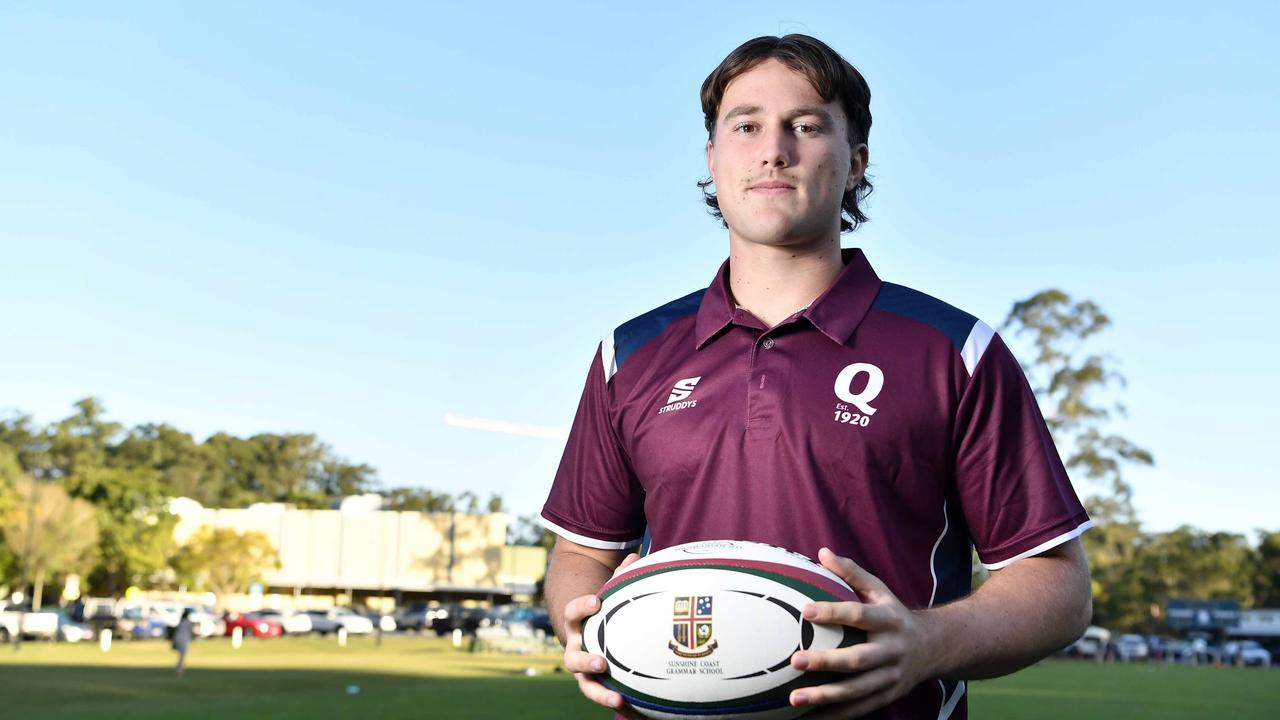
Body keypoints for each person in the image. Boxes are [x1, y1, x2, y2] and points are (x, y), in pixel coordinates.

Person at [540, 34, 1093, 720]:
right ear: (713, 159)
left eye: (805, 125)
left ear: (856, 161)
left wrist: (927, 643)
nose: (773, 149)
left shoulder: (953, 350)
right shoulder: (630, 354)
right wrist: (583, 626)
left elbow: (1058, 585)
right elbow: (581, 553)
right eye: (745, 126)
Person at [172, 609, 195, 677]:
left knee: (181, 655)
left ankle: (179, 668)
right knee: (182, 656)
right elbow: (191, 632)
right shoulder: (188, 623)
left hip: (178, 639)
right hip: (184, 640)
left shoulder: (181, 622)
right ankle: (180, 669)